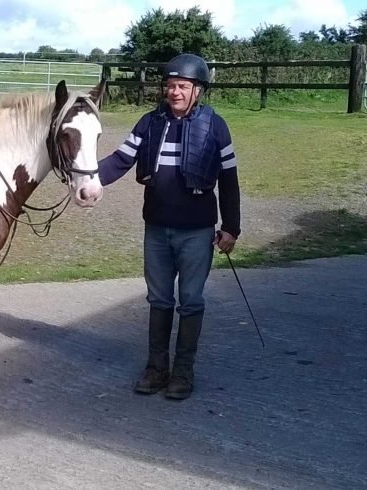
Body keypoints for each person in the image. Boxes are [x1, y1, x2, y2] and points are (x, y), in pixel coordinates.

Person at [97, 53, 241, 400]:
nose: (174, 92)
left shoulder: (215, 126)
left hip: (197, 231)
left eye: (182, 86)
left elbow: (229, 179)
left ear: (198, 90)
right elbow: (120, 161)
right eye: (170, 85)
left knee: (190, 301)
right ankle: (156, 368)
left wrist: (231, 227)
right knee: (159, 298)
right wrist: (86, 177)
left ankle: (182, 373)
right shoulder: (149, 123)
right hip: (157, 230)